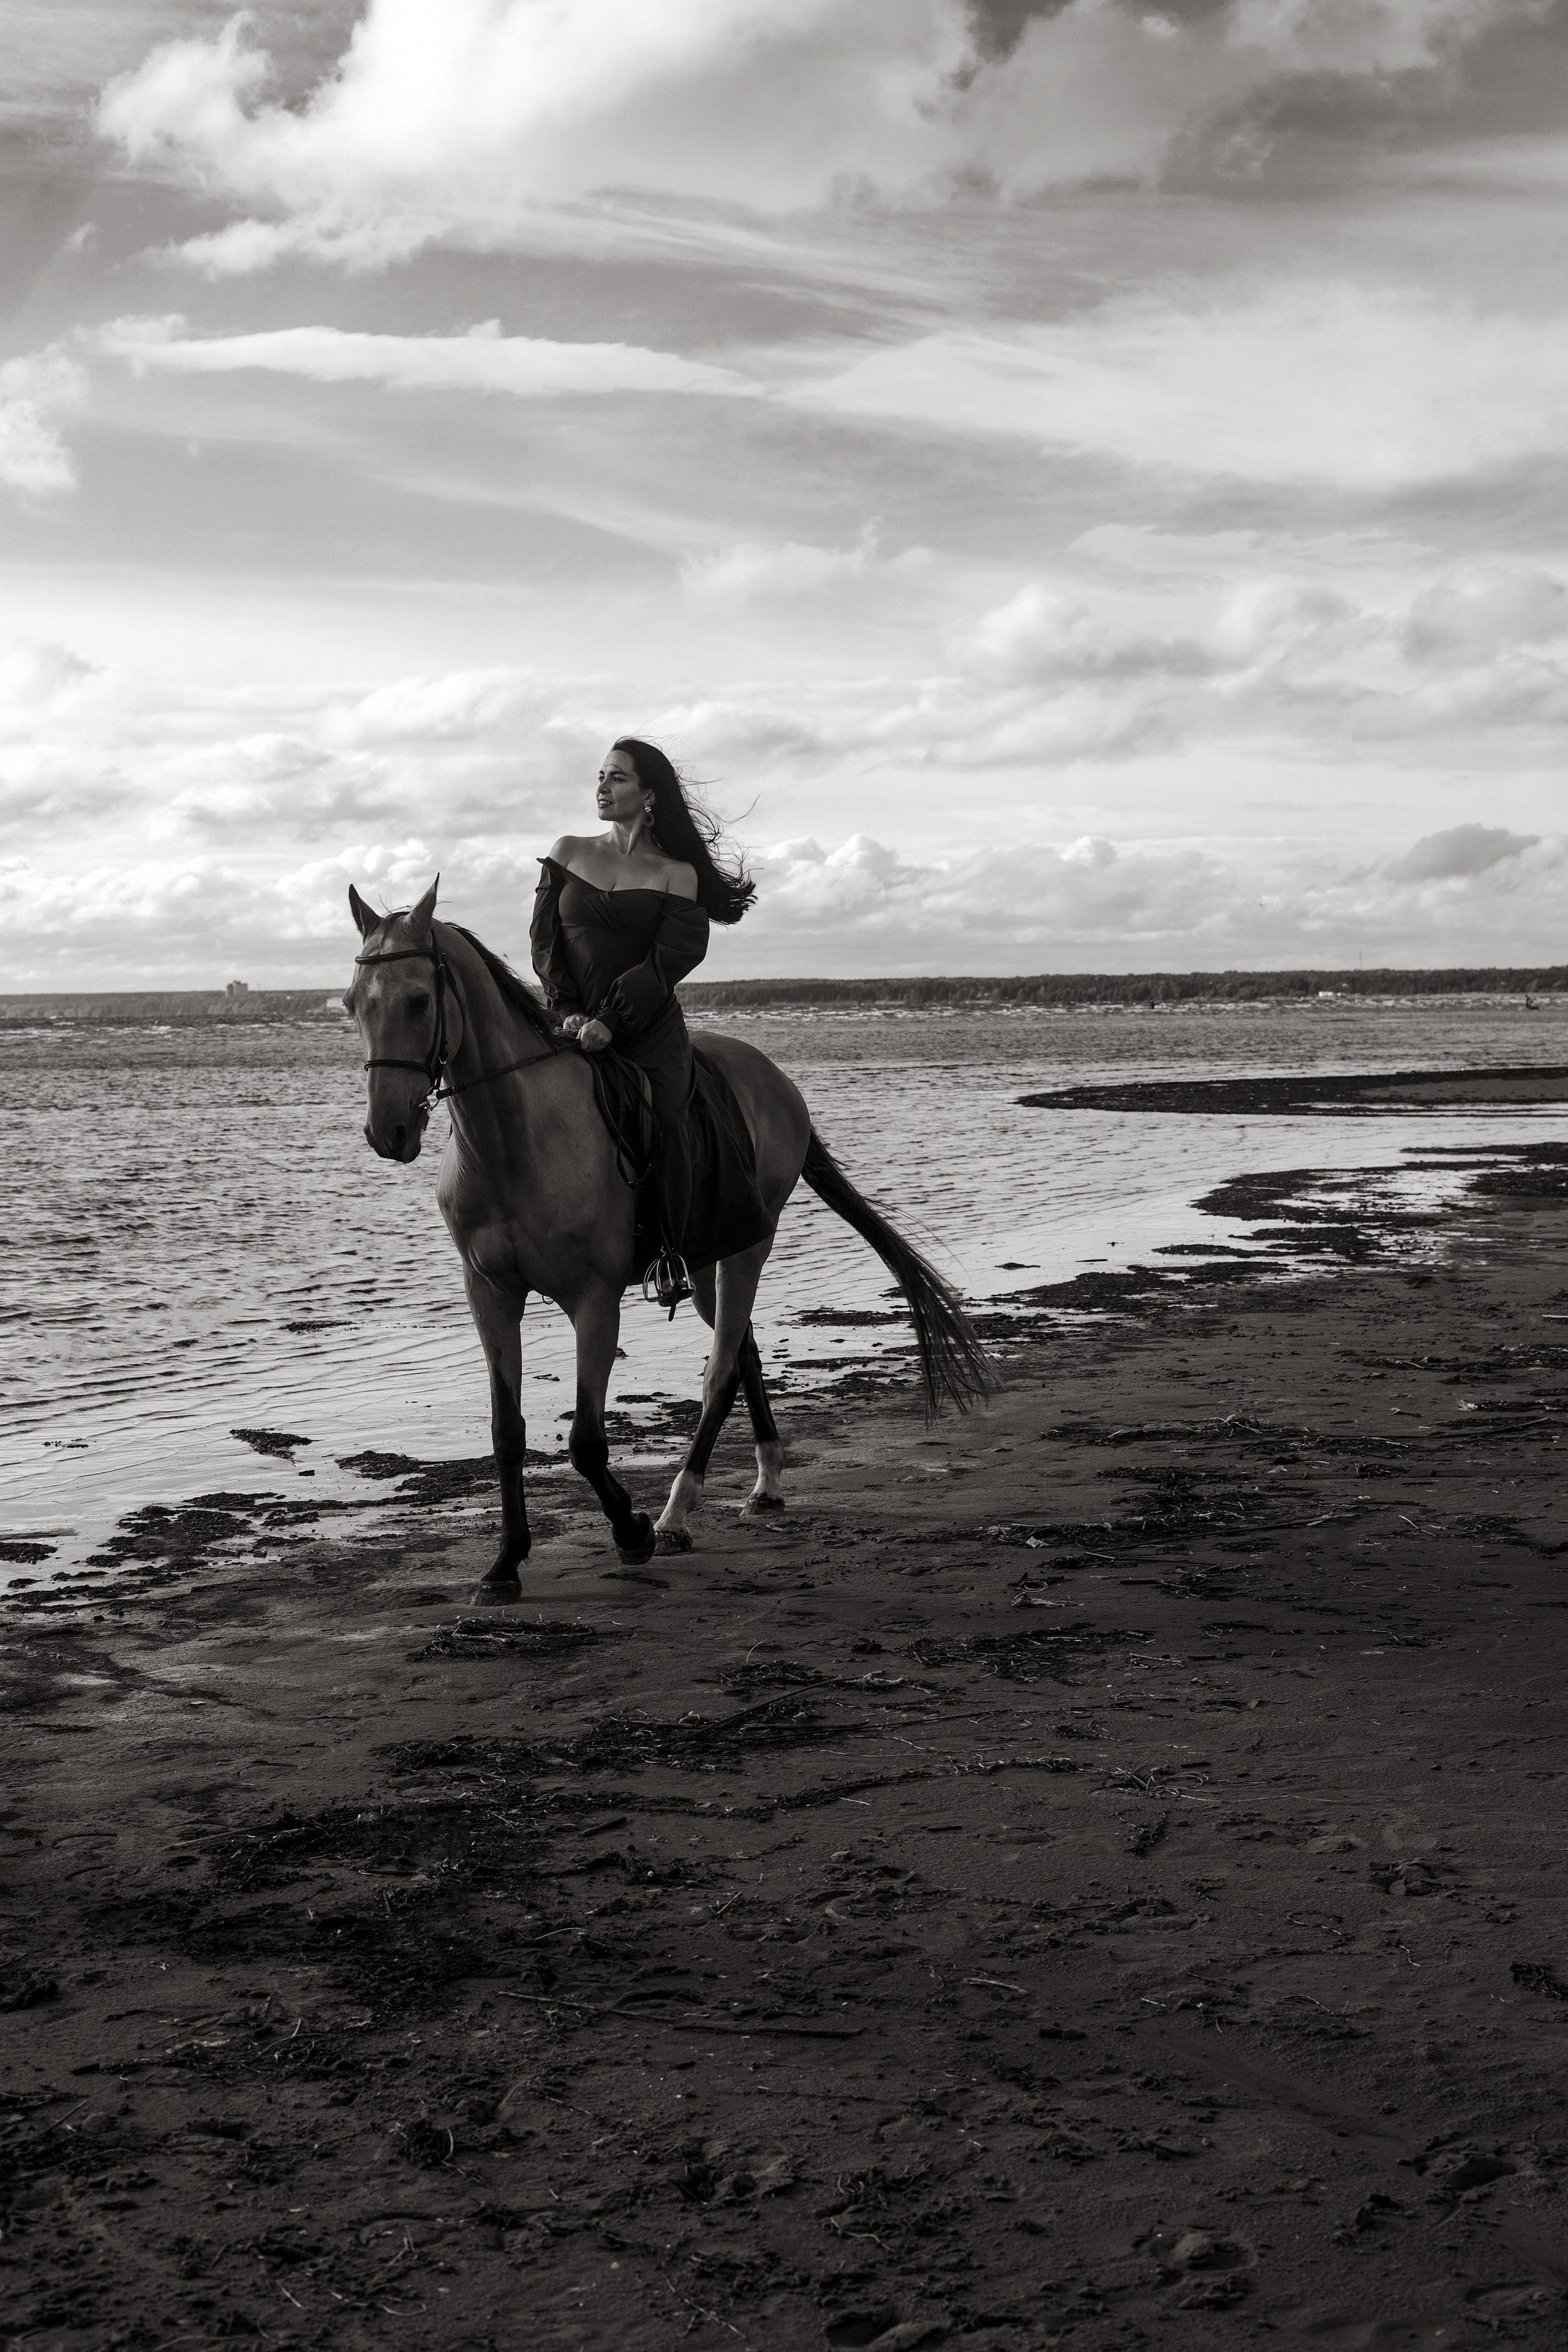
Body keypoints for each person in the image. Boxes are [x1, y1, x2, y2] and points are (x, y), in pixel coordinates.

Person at [530, 737, 756, 1308]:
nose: (602, 787)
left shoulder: (676, 874)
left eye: (618, 778)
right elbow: (544, 943)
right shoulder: (567, 851)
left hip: (647, 1028)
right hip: (570, 1022)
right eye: (600, 776)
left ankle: (669, 1253)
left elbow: (669, 962)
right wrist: (567, 1009)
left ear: (649, 794)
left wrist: (610, 1019)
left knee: (669, 1121)